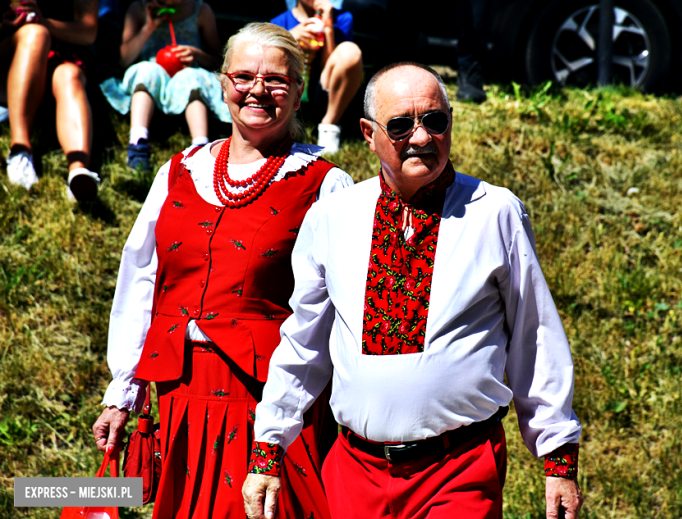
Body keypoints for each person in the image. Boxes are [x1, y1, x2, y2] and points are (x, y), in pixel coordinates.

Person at [243, 62, 584, 519]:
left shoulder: (494, 212)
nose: (422, 137)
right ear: (368, 133)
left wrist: (558, 457)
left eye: (435, 121)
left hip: (457, 469)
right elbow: (304, 343)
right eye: (402, 125)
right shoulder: (334, 216)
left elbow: (534, 335)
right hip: (354, 470)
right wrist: (269, 446)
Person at [91, 22, 352, 519]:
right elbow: (141, 279)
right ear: (221, 83)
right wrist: (123, 394)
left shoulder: (325, 184)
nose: (258, 89)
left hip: (268, 402)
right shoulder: (177, 171)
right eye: (243, 76)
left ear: (299, 94)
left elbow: (330, 314)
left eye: (276, 80)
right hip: (177, 396)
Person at [100, 0, 229, 171]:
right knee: (145, 71)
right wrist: (148, 28)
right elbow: (124, 60)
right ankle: (138, 141)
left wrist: (196, 54)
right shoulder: (139, 9)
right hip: (154, 76)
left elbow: (217, 60)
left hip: (187, 75)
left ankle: (201, 148)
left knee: (192, 79)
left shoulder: (200, 10)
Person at [0, 0, 101, 201]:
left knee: (69, 75)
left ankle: (78, 171)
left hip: (59, 58)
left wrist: (47, 22)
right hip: (10, 59)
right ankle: (20, 150)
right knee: (36, 34)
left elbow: (88, 32)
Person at [271, 0, 362, 154]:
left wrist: (328, 25)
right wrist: (289, 37)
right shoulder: (279, 22)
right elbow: (271, 67)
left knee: (350, 51)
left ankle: (329, 125)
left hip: (326, 91)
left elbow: (332, 66)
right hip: (291, 93)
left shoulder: (342, 19)